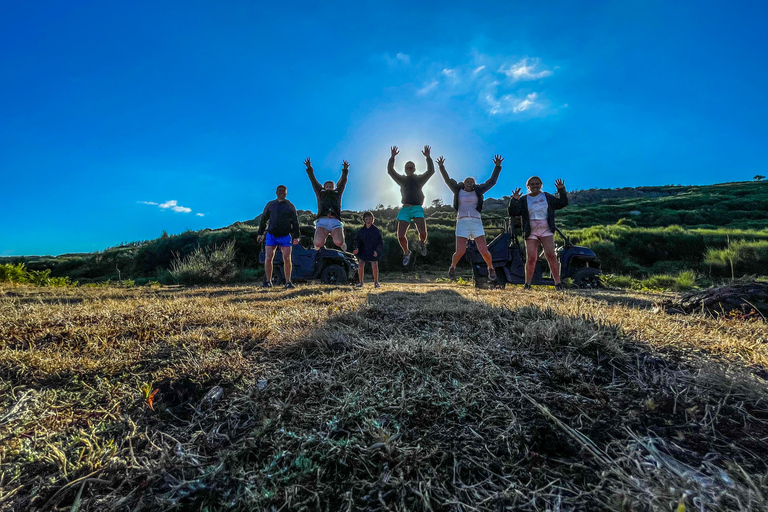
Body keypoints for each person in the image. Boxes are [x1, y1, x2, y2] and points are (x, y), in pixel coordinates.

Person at [437, 154, 504, 282]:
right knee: (460, 251)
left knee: (483, 250)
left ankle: (491, 268)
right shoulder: (458, 190)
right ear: (464, 183)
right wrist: (441, 167)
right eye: (467, 181)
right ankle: (452, 267)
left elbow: (492, 182)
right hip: (462, 222)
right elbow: (447, 180)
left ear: (474, 184)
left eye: (471, 181)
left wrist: (497, 167)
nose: (469, 183)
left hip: (476, 222)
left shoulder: (478, 191)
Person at [508, 176, 568, 290]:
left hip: (546, 230)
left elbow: (562, 203)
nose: (535, 186)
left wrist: (561, 190)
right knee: (531, 258)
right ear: (528, 187)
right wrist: (514, 200)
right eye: (532, 184)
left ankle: (558, 283)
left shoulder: (546, 196)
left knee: (551, 255)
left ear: (541, 185)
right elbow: (512, 212)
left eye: (537, 184)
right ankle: (527, 284)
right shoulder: (524, 199)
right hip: (531, 231)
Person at [387, 145, 435, 265]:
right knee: (400, 236)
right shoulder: (402, 180)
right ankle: (406, 252)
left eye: (411, 167)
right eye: (407, 167)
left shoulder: (419, 179)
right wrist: (392, 157)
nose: (409, 169)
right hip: (405, 208)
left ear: (414, 169)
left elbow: (431, 171)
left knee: (423, 233)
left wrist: (428, 158)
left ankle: (422, 244)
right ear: (405, 169)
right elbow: (390, 171)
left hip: (417, 208)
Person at [256, 184, 301, 289]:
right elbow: (264, 220)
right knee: (268, 258)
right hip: (271, 235)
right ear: (276, 192)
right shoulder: (270, 205)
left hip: (285, 236)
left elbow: (295, 221)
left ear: (286, 193)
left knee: (287, 258)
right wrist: (260, 233)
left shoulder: (290, 205)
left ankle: (288, 282)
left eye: (283, 191)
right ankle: (267, 282)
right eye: (280, 191)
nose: (281, 193)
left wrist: (296, 236)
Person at [305, 157, 349, 251]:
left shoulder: (337, 193)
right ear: (324, 187)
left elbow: (343, 183)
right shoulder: (320, 193)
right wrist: (309, 169)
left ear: (333, 188)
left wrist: (345, 170)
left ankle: (342, 243)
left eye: (331, 186)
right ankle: (317, 246)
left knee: (339, 242)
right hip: (323, 221)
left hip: (335, 221)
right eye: (327, 186)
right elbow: (313, 181)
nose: (329, 187)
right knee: (318, 242)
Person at [352, 211, 384, 288]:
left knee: (374, 265)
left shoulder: (376, 230)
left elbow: (380, 242)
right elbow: (357, 241)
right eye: (366, 219)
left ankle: (376, 283)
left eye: (370, 219)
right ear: (364, 220)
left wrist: (377, 251)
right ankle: (360, 283)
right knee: (361, 264)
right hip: (363, 250)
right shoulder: (361, 231)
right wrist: (357, 248)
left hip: (373, 250)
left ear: (372, 219)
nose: (368, 221)